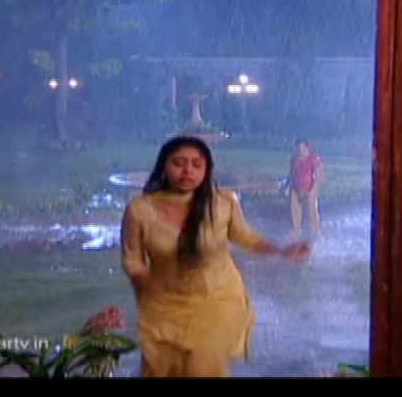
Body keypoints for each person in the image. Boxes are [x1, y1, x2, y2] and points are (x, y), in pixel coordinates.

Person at [120, 135, 310, 377]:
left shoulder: (222, 202)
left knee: (202, 365)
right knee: (163, 370)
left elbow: (245, 236)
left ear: (207, 169)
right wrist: (144, 281)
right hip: (164, 303)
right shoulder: (140, 210)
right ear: (163, 166)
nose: (188, 171)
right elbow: (132, 258)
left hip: (218, 298)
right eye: (178, 163)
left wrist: (281, 250)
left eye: (197, 165)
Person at [287, 138, 324, 239]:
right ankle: (296, 230)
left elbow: (319, 175)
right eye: (299, 147)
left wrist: (314, 189)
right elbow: (292, 174)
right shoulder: (295, 159)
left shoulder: (314, 159)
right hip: (297, 187)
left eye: (302, 147)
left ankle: (316, 232)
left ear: (308, 147)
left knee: (312, 211)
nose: (300, 149)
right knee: (295, 210)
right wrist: (290, 186)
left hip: (310, 188)